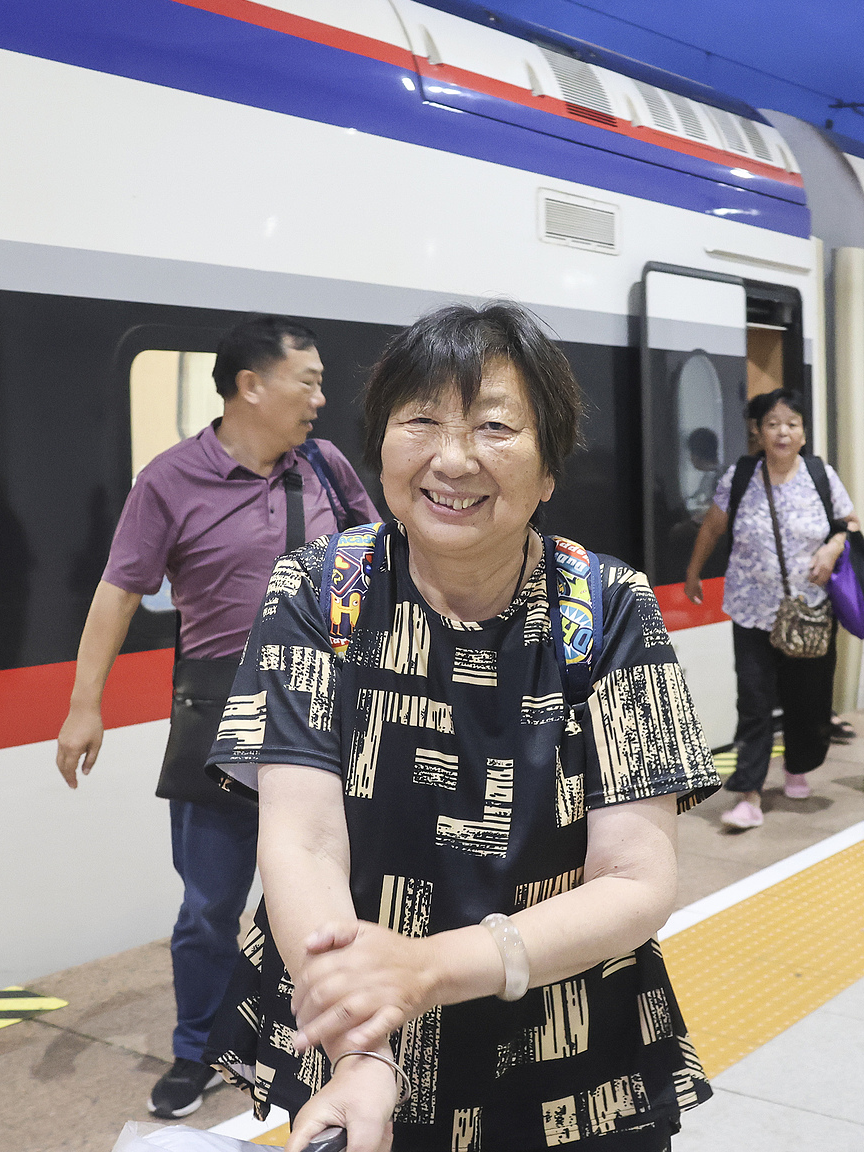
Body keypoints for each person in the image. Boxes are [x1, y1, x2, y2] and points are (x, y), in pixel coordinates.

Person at [201, 302, 719, 1151]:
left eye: (493, 427)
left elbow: (636, 879)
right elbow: (303, 844)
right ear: (383, 445)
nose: (452, 458)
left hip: (566, 1041)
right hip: (359, 1035)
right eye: (422, 421)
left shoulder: (610, 606)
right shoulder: (318, 591)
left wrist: (427, 970)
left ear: (549, 468)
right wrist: (361, 1048)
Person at [54, 314, 378, 1119]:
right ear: (250, 386)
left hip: (331, 707)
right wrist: (82, 705)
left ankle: (349, 1035)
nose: (320, 398)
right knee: (208, 905)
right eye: (307, 381)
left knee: (349, 886)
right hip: (220, 714)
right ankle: (196, 1049)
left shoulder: (327, 468)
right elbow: (119, 589)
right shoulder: (170, 480)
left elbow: (378, 557)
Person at [682, 388, 859, 831]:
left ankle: (797, 766)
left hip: (810, 611)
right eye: (773, 424)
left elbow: (849, 524)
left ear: (803, 431)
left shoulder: (820, 475)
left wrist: (832, 549)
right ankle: (749, 793)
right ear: (758, 431)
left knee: (807, 701)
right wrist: (693, 572)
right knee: (755, 700)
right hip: (752, 609)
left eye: (792, 423)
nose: (783, 432)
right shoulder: (741, 476)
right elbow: (713, 526)